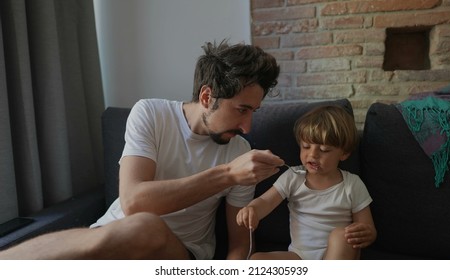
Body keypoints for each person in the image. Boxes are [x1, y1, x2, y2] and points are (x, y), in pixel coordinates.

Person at [0, 40, 283, 260]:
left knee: (144, 227)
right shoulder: (151, 113)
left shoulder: (240, 151)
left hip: (178, 256)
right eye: (242, 110)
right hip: (107, 239)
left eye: (254, 112)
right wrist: (229, 174)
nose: (247, 126)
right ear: (207, 96)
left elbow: (240, 245)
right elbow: (133, 202)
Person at [236, 105, 377, 260]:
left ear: (343, 153)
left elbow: (367, 227)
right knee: (256, 260)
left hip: (337, 255)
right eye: (306, 146)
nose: (313, 154)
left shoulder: (352, 184)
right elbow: (265, 201)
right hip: (299, 256)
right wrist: (252, 210)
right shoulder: (293, 176)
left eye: (324, 150)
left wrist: (366, 233)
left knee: (341, 236)